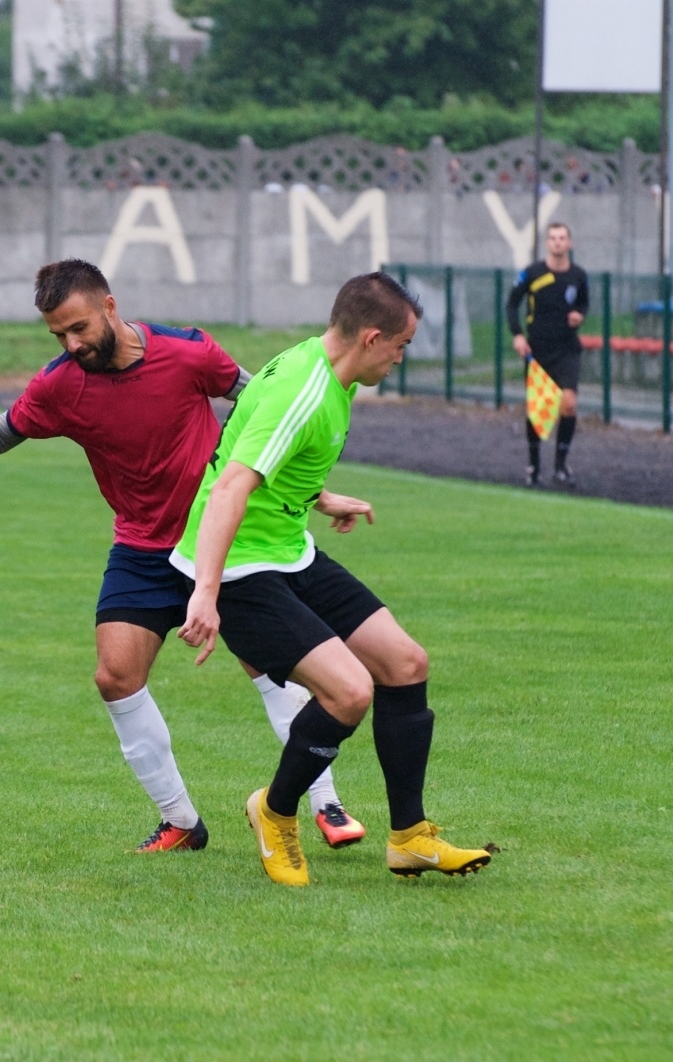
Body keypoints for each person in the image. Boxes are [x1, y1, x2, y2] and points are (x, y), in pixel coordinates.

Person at [0, 259, 367, 853]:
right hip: (141, 547)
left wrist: (315, 494)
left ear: (109, 306)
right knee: (115, 676)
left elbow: (271, 413)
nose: (71, 344)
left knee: (269, 665)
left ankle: (325, 801)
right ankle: (180, 822)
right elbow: (5, 430)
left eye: (79, 328)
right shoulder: (61, 384)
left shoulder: (187, 352)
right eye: (58, 334)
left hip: (220, 541)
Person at [171, 272, 495, 888]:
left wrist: (319, 498)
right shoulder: (305, 388)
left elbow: (261, 451)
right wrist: (206, 592)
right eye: (400, 346)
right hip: (240, 569)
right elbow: (231, 485)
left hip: (288, 550)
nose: (400, 359)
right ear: (371, 338)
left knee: (405, 663)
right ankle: (274, 814)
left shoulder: (326, 373)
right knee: (349, 692)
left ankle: (410, 840)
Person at [506, 221, 589, 487]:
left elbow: (583, 303)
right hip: (538, 350)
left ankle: (561, 466)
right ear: (547, 243)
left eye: (562, 238)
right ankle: (533, 465)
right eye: (553, 238)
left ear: (569, 243)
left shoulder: (578, 275)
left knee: (569, 403)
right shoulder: (532, 273)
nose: (557, 242)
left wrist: (579, 315)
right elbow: (511, 304)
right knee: (538, 409)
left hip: (567, 349)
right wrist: (518, 334)